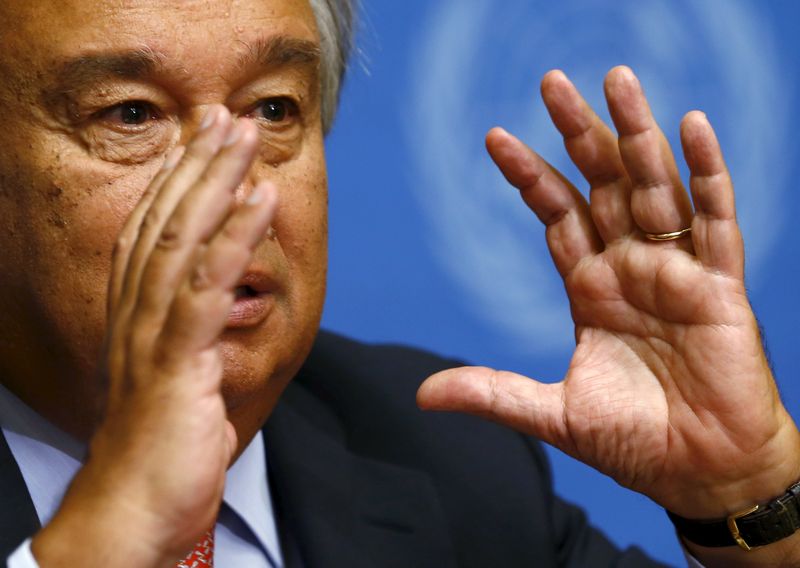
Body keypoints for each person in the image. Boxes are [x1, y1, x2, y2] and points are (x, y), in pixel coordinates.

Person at [0, 0, 798, 566]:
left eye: (272, 109)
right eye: (130, 115)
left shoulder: (438, 459)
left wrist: (746, 494)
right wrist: (114, 532)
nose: (232, 194)